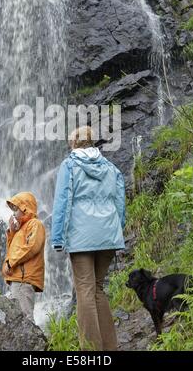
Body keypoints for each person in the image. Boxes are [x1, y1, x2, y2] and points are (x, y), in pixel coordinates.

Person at [51, 126, 126, 351]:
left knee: (84, 290)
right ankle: (110, 348)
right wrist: (116, 232)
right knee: (98, 289)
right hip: (108, 235)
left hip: (82, 237)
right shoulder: (112, 168)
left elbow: (62, 202)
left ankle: (91, 352)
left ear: (74, 143)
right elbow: (120, 204)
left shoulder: (70, 165)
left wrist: (58, 238)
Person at [1, 191, 46, 322]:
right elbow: (13, 250)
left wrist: (11, 263)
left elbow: (32, 246)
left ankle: (34, 343)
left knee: (25, 318)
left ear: (25, 208)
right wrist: (13, 232)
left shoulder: (35, 224)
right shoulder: (21, 228)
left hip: (24, 279)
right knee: (19, 318)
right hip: (18, 279)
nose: (13, 213)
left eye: (16, 209)